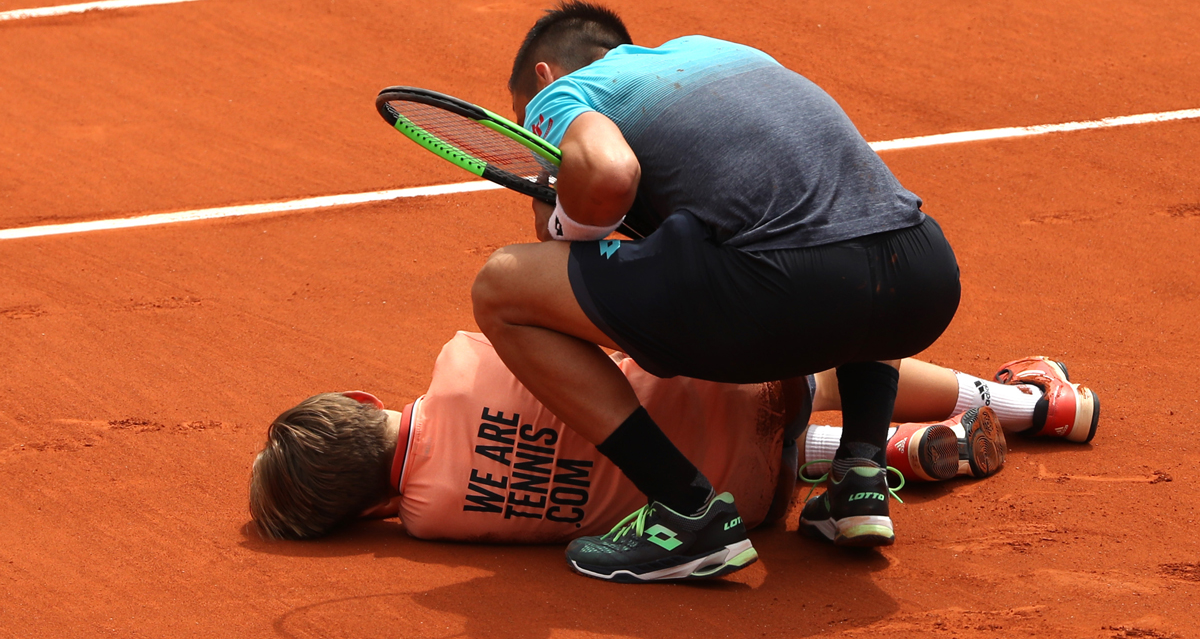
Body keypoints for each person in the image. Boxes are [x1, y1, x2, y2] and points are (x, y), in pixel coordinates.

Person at [470, 0, 962, 580]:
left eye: (524, 117)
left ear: (544, 76)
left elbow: (605, 176)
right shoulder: (723, 51)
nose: (535, 139)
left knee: (501, 287)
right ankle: (860, 472)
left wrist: (557, 210)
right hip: (922, 277)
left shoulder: (563, 93)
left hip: (786, 291)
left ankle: (685, 510)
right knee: (842, 223)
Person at [249, 331, 1099, 576]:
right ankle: (1036, 402)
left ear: (365, 509)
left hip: (746, 504)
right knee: (834, 356)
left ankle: (896, 454)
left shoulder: (433, 523)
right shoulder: (458, 360)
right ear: (362, 401)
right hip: (745, 386)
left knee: (665, 457)